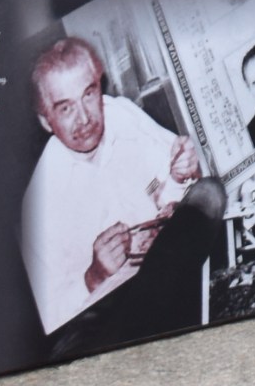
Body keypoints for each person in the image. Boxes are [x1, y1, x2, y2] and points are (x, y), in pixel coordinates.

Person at [18, 37, 222, 347]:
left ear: (99, 86)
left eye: (88, 94)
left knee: (211, 193)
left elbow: (175, 191)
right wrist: (94, 275)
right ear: (46, 121)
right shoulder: (39, 203)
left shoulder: (122, 115)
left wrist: (180, 174)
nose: (84, 117)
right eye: (65, 108)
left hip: (164, 262)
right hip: (110, 310)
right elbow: (50, 317)